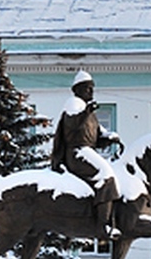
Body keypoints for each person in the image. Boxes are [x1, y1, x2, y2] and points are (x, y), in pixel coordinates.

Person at [50, 70, 122, 239]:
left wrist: (110, 138)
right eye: (87, 88)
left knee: (110, 174)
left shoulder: (91, 114)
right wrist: (86, 111)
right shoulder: (73, 104)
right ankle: (102, 225)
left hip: (87, 150)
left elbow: (97, 138)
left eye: (92, 88)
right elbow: (73, 123)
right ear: (78, 89)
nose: (91, 91)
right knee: (106, 177)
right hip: (76, 153)